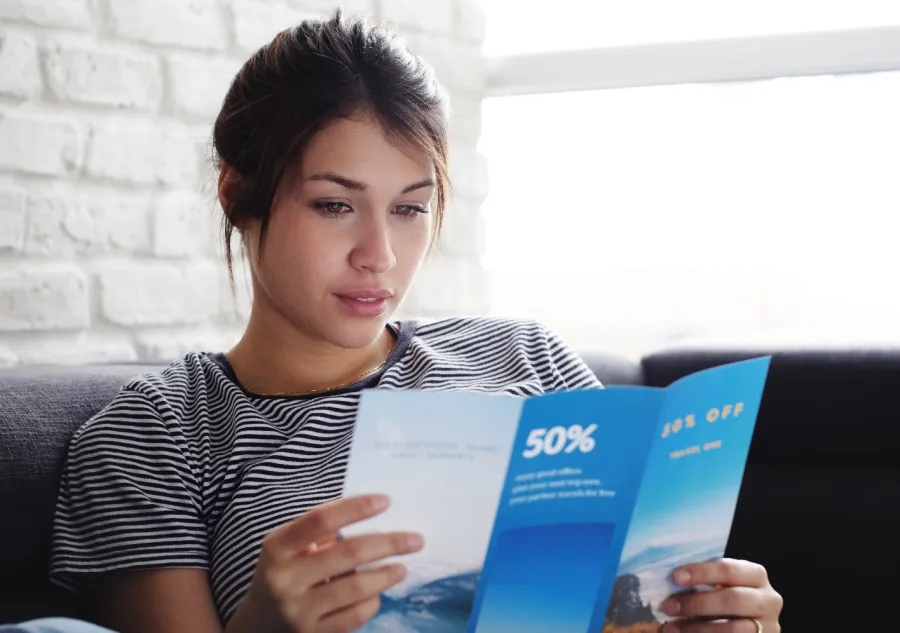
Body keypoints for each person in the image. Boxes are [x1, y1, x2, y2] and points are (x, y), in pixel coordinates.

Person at [42, 11, 783, 633]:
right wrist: (266, 620)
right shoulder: (156, 436)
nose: (380, 255)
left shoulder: (524, 353)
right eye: (335, 205)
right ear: (239, 194)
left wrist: (722, 610)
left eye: (409, 208)